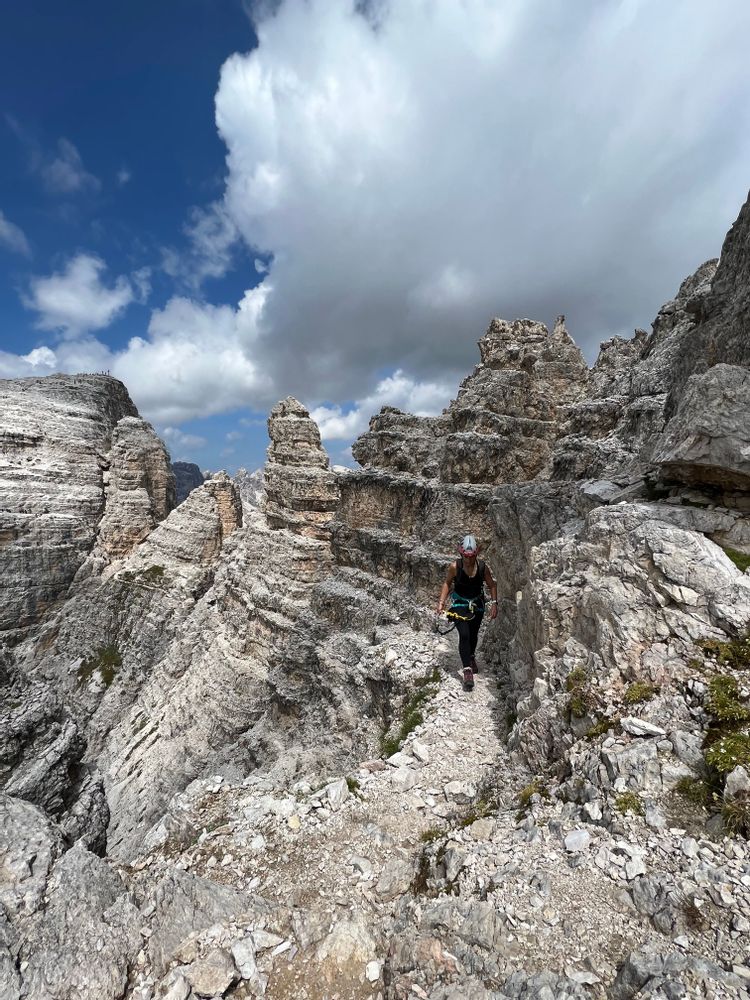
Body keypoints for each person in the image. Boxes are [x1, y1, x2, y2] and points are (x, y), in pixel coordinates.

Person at [436, 535, 497, 691]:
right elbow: (447, 583)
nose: (468, 559)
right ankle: (467, 670)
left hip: (477, 605)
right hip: (460, 605)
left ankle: (471, 656)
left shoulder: (483, 568)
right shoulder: (454, 567)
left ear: (475, 554)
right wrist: (441, 603)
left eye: (471, 556)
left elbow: (492, 585)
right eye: (465, 556)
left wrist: (494, 604)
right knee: (464, 634)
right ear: (461, 554)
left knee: (473, 633)